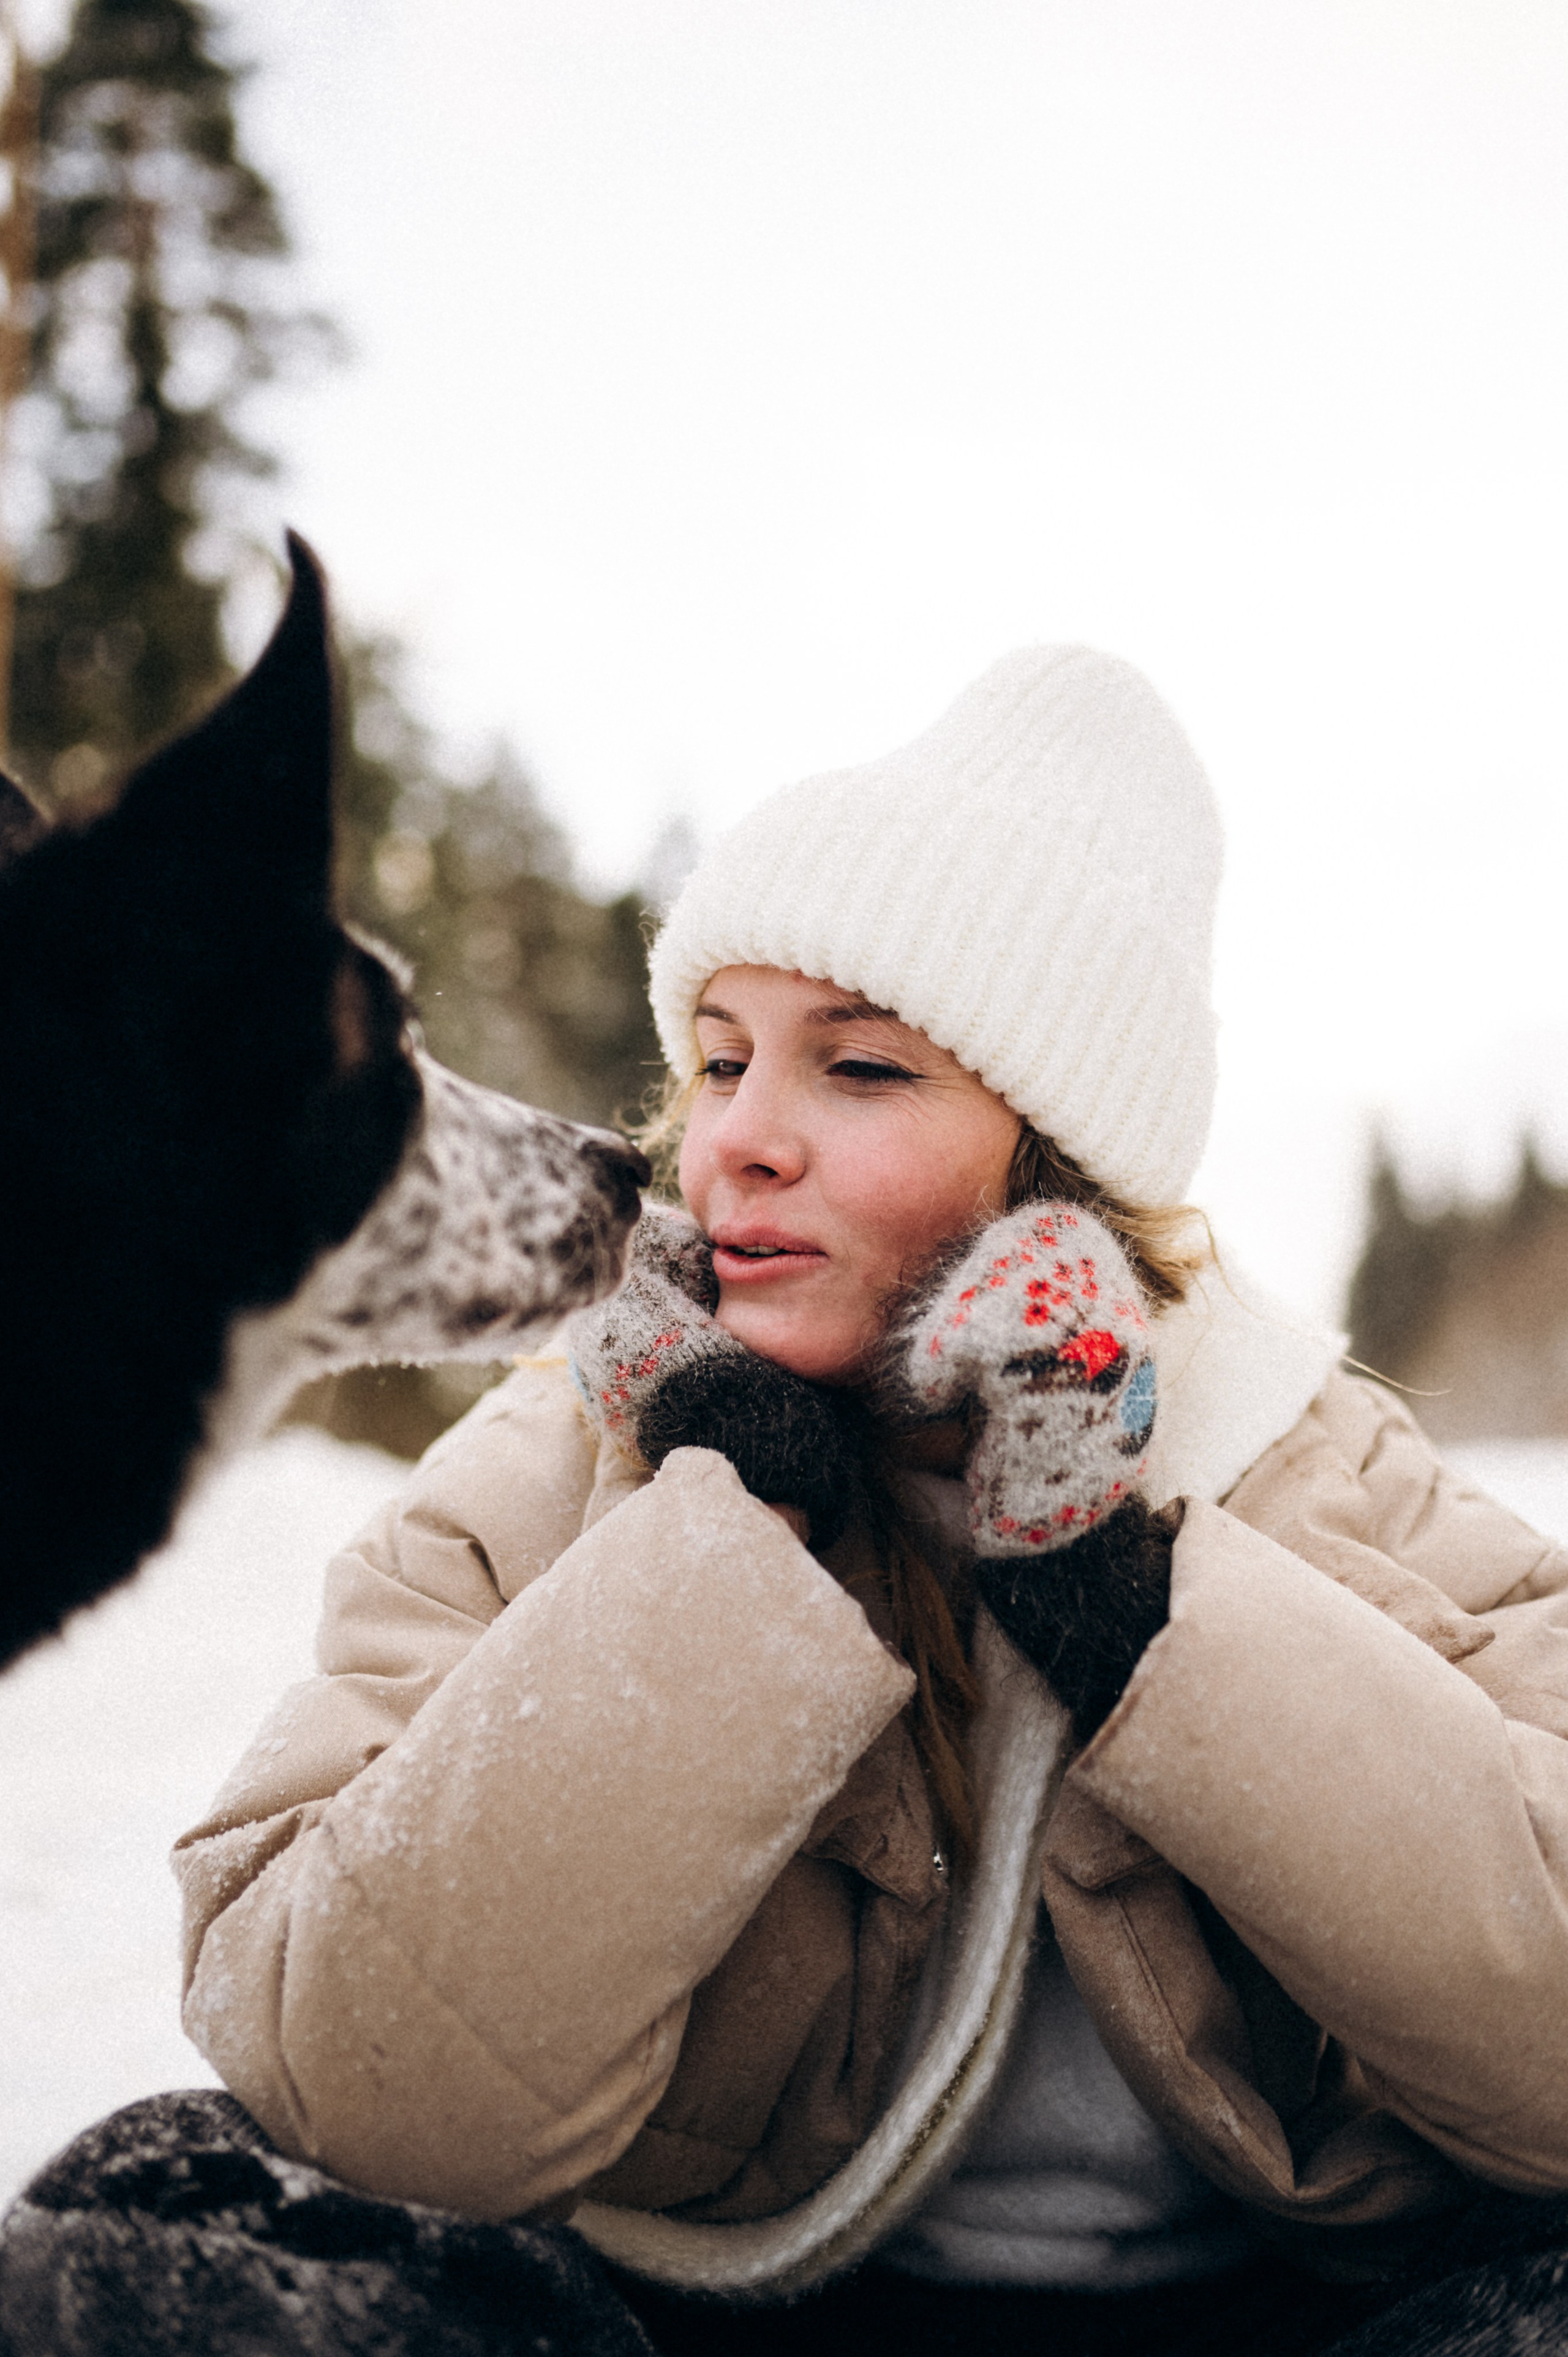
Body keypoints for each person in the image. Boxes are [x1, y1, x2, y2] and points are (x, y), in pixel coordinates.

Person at [9, 647, 1568, 2357]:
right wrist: (730, 1530)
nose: (737, 1139)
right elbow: (350, 2083)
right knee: (162, 2215)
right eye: (720, 1061)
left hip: (1284, 2323)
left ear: (1060, 1153)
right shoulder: (560, 1460)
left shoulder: (1307, 1459)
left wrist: (1122, 1601)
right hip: (685, 2316)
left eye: (862, 1069)